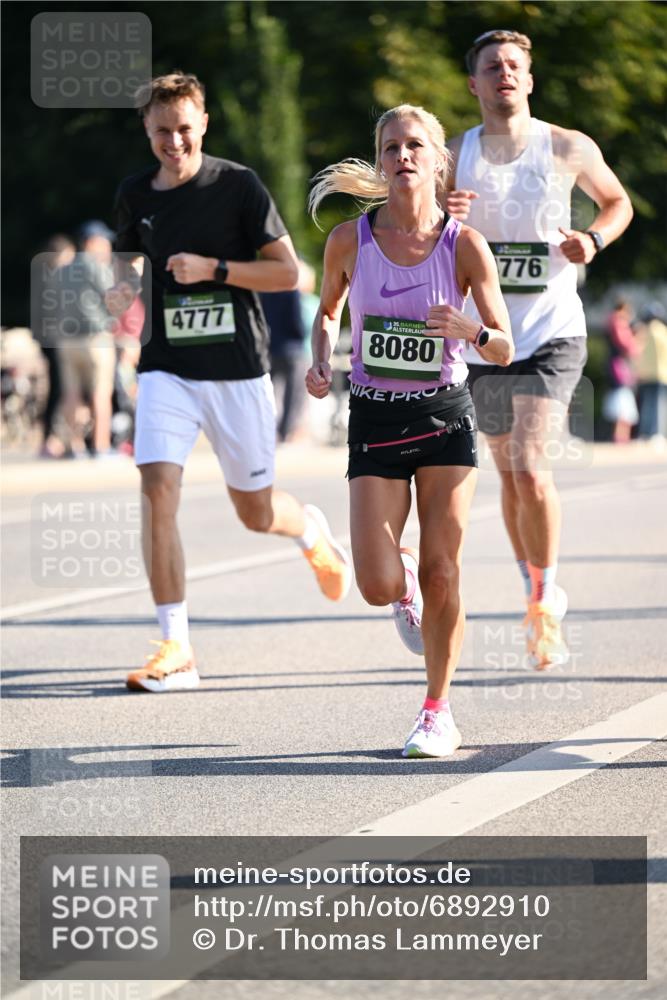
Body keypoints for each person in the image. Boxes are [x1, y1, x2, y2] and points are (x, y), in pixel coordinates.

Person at [105, 71, 352, 693]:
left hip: (237, 371)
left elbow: (287, 273)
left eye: (185, 129)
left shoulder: (238, 185)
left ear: (203, 124)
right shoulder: (135, 193)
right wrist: (120, 291)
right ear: (147, 129)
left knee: (257, 511)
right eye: (163, 131)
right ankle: (176, 647)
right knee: (157, 488)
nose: (175, 142)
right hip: (165, 368)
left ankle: (309, 530)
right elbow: (126, 265)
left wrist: (213, 268)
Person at [307, 104, 513, 758]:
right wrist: (319, 359)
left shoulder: (464, 246)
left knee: (444, 567)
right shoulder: (348, 239)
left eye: (414, 145)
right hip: (374, 414)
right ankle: (399, 578)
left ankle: (436, 711)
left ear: (436, 161)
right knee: (374, 585)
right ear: (379, 162)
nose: (402, 155)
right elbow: (327, 313)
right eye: (391, 146)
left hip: (444, 415)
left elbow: (503, 345)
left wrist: (470, 332)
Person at [446, 29, 633, 669]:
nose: (503, 74)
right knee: (507, 474)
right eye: (491, 66)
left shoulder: (565, 147)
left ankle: (549, 601)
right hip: (485, 339)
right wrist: (443, 213)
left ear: (529, 79)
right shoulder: (452, 155)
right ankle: (534, 593)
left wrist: (594, 239)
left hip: (553, 328)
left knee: (529, 466)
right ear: (473, 83)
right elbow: (414, 227)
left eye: (513, 66)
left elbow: (617, 202)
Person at [57, 220, 119, 458]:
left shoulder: (63, 269)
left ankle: (76, 446)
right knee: (100, 392)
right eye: (103, 242)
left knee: (71, 393)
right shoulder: (95, 267)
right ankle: (101, 446)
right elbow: (112, 297)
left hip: (66, 339)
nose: (107, 247)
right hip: (95, 338)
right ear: (92, 242)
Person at [261, 260, 314, 443]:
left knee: (271, 392)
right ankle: (286, 432)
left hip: (271, 348)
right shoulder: (293, 293)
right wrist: (298, 336)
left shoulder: (265, 292)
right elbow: (296, 321)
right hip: (294, 349)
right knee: (294, 395)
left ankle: (269, 429)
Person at [602, 299, 640, 443]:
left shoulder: (611, 321)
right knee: (623, 401)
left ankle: (621, 435)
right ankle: (621, 436)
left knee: (621, 399)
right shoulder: (618, 322)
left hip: (615, 364)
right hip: (619, 366)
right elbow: (627, 345)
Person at [635, 301, 667, 444]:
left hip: (645, 374)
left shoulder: (642, 331)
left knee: (647, 405)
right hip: (660, 373)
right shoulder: (661, 331)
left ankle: (645, 433)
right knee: (658, 405)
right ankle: (656, 433)